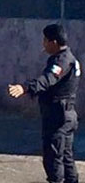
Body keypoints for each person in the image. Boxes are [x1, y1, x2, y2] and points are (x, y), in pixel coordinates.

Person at [8, 24, 80, 183]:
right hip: (66, 115)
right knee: (66, 156)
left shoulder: (61, 61)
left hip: (58, 116)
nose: (43, 44)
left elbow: (47, 80)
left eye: (45, 40)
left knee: (53, 158)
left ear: (53, 42)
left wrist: (25, 88)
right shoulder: (69, 58)